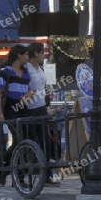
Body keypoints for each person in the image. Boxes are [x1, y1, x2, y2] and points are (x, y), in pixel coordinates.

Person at [0, 44, 36, 184]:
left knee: (23, 141)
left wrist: (29, 94)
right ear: (19, 55)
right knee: (15, 141)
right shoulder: (5, 72)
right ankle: (2, 167)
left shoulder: (26, 74)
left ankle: (16, 175)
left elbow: (28, 92)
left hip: (23, 109)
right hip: (9, 109)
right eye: (26, 55)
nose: (28, 58)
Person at [25, 42, 60, 187]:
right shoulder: (26, 68)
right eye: (42, 53)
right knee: (31, 141)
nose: (43, 56)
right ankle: (25, 173)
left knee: (47, 141)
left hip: (41, 108)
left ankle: (46, 175)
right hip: (29, 108)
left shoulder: (40, 68)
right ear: (36, 53)